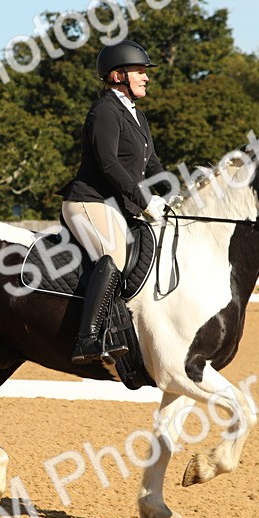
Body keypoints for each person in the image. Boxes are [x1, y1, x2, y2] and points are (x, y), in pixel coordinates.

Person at [59, 40, 170, 364]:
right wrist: (144, 199)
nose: (146, 77)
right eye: (139, 71)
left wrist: (177, 193)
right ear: (118, 75)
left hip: (118, 205)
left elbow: (153, 166)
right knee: (114, 252)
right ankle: (87, 338)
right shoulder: (105, 111)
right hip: (88, 201)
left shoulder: (137, 116)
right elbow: (109, 165)